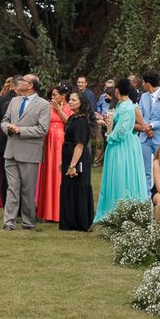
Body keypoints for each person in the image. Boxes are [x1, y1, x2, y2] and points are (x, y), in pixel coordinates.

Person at [0, 74, 49, 231]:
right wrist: (7, 128)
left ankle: (28, 221)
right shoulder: (14, 101)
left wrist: (21, 130)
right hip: (11, 150)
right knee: (12, 187)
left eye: (23, 80)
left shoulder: (43, 104)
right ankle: (9, 221)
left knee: (28, 189)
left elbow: (42, 129)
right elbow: (4, 120)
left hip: (30, 151)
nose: (20, 82)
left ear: (31, 85)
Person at [94, 77, 150, 221]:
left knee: (122, 174)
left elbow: (123, 130)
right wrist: (109, 123)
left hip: (123, 144)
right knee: (121, 173)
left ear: (118, 90)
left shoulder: (127, 107)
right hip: (124, 142)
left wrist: (110, 137)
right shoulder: (121, 105)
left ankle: (120, 209)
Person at [58, 89, 94, 232]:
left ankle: (80, 222)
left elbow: (79, 145)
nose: (70, 102)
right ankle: (69, 221)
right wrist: (64, 162)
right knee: (69, 187)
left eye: (73, 100)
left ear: (81, 103)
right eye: (70, 99)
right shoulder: (73, 118)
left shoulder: (81, 121)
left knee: (78, 187)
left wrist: (72, 165)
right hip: (69, 156)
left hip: (77, 158)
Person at [38, 85, 68, 225]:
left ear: (63, 96)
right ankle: (46, 210)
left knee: (58, 173)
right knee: (47, 171)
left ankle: (58, 210)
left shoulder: (68, 106)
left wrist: (58, 109)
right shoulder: (47, 107)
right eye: (52, 94)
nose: (53, 97)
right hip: (47, 140)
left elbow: (68, 121)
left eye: (56, 94)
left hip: (60, 141)